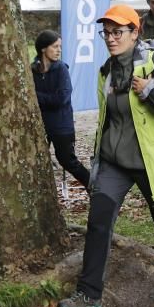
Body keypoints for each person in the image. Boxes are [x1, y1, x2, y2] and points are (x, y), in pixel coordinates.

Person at [59, 4, 154, 307]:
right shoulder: (105, 72)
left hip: (151, 160)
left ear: (135, 33)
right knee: (98, 220)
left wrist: (151, 91)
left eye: (118, 32)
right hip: (114, 161)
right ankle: (89, 292)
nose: (110, 38)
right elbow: (106, 119)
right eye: (106, 33)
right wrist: (97, 157)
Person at [31, 29, 90, 188]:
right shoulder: (33, 70)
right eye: (55, 46)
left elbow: (62, 98)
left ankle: (94, 187)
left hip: (61, 126)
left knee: (68, 161)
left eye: (60, 47)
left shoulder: (61, 69)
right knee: (36, 161)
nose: (59, 50)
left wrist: (36, 96)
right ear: (43, 48)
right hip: (42, 125)